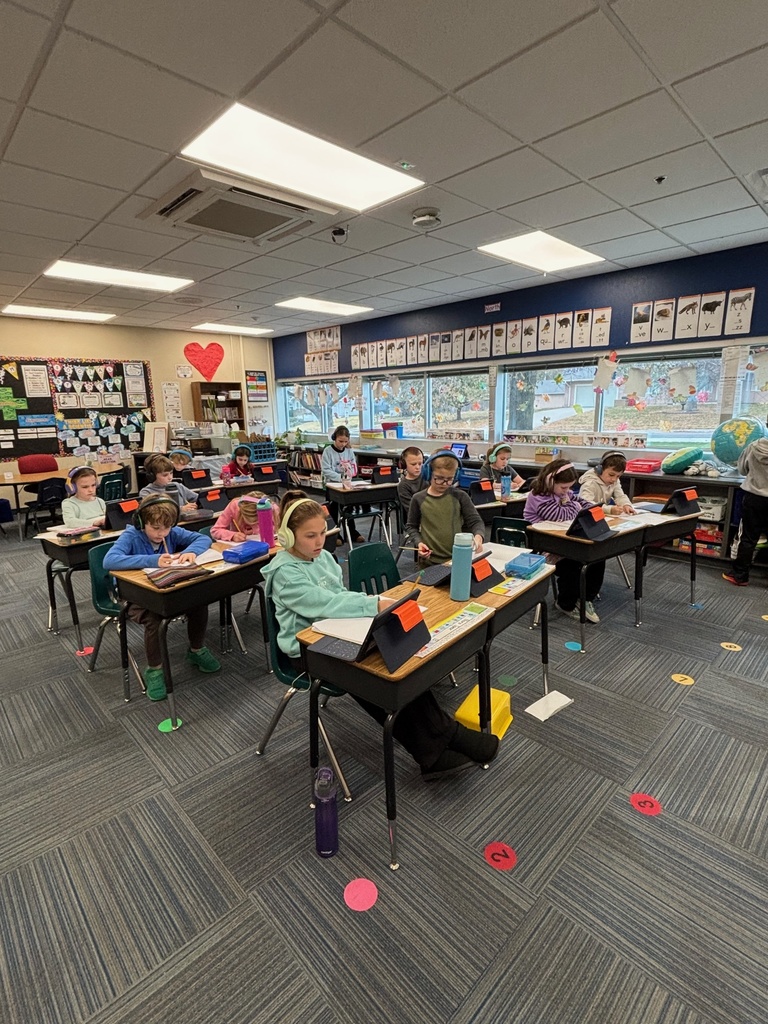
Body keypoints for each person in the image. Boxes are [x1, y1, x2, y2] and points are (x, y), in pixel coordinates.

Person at [260, 493, 498, 779]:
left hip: (339, 632)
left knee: (399, 661)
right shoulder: (285, 572)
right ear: (287, 536)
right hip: (305, 652)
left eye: (323, 532)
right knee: (376, 677)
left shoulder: (322, 557)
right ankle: (436, 747)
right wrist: (371, 604)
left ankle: (443, 737)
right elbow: (323, 603)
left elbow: (339, 596)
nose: (320, 541)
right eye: (310, 536)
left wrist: (367, 605)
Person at [103, 495, 221, 699]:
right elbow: (109, 560)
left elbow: (202, 538)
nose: (162, 533)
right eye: (155, 528)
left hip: (165, 588)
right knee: (154, 618)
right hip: (134, 597)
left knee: (198, 602)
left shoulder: (170, 532)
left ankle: (196, 650)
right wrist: (154, 559)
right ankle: (154, 670)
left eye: (166, 528)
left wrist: (192, 551)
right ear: (141, 522)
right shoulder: (132, 535)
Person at [523, 458, 605, 624]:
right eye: (564, 487)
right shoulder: (538, 495)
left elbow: (584, 504)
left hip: (564, 541)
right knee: (573, 565)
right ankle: (565, 604)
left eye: (569, 487)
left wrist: (580, 505)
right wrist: (575, 507)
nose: (566, 491)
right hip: (544, 548)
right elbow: (561, 515)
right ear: (550, 480)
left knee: (597, 557)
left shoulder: (563, 493)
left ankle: (585, 598)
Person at [406, 451, 484, 565]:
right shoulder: (418, 499)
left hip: (457, 560)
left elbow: (476, 522)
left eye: (449, 479)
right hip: (429, 562)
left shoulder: (460, 496)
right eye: (439, 478)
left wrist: (478, 537)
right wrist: (419, 543)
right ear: (428, 473)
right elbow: (411, 526)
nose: (444, 483)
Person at [722, 433, 768, 586]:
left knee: (748, 537)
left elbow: (742, 469)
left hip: (754, 498)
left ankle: (740, 575)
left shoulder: (754, 446)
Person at [321, 425, 364, 544]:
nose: (343, 444)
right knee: (333, 509)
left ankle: (352, 532)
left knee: (348, 508)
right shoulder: (328, 451)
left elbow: (353, 466)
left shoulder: (349, 451)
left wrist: (349, 473)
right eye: (340, 441)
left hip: (346, 484)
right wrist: (340, 477)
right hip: (332, 485)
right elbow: (326, 470)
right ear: (334, 438)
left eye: (345, 441)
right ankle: (335, 535)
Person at [578, 450, 635, 515]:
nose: (614, 479)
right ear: (600, 469)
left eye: (618, 476)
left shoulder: (614, 481)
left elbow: (620, 496)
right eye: (611, 475)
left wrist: (626, 505)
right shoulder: (590, 483)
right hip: (588, 516)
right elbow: (586, 504)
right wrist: (609, 509)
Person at [211, 490, 280, 543]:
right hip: (244, 549)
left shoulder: (272, 509)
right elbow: (215, 531)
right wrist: (232, 535)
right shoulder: (235, 506)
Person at [397, 446, 426, 520]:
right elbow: (412, 511)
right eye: (413, 464)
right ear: (403, 465)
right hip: (418, 521)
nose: (417, 467)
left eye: (420, 464)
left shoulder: (428, 478)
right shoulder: (403, 485)